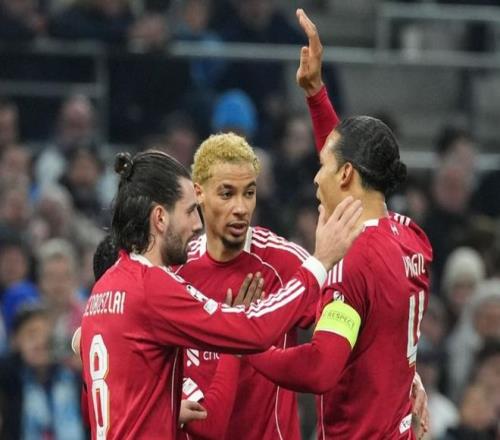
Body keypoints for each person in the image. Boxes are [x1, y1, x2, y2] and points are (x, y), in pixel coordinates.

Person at [80, 149, 361, 439]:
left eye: (249, 192)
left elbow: (98, 398)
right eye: (189, 211)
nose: (196, 224)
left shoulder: (104, 290)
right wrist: (320, 262)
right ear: (160, 218)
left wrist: (165, 409)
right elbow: (252, 330)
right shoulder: (152, 287)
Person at [245, 10, 433, 439]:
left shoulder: (351, 263)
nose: (316, 177)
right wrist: (315, 95)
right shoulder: (411, 237)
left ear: (346, 174)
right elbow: (348, 165)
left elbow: (320, 368)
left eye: (324, 167)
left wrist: (248, 346)